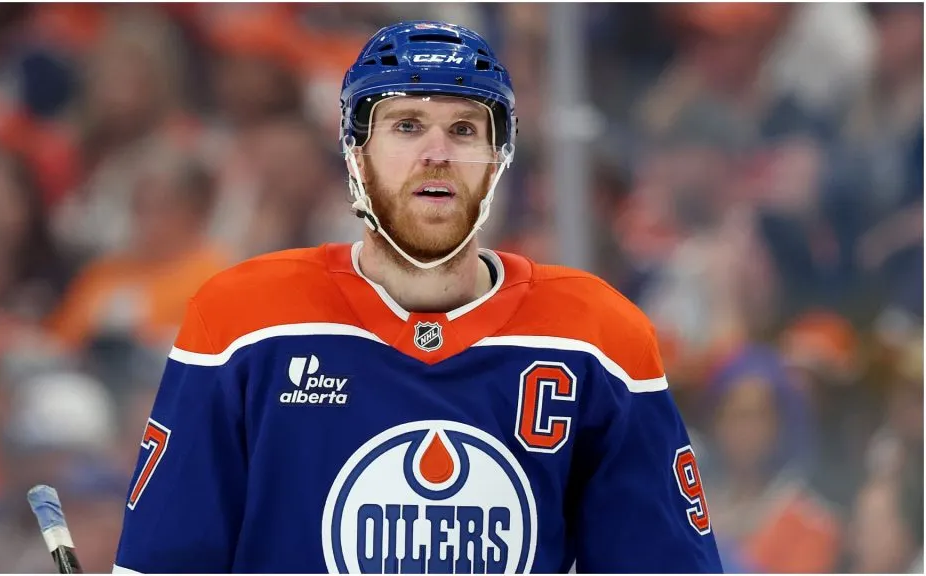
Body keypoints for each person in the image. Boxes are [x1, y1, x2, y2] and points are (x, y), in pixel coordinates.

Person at [113, 21, 723, 573]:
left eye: (464, 129)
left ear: (498, 160)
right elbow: (162, 563)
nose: (436, 153)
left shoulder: (599, 337)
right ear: (356, 152)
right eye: (406, 126)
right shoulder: (242, 321)